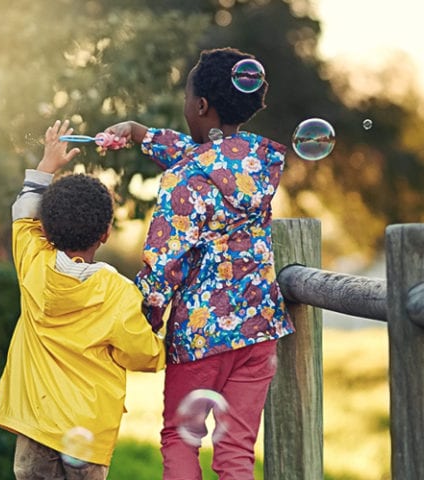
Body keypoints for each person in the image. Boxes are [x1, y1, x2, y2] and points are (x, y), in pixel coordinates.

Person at [102, 47, 295, 479]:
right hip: (258, 330)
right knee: (236, 451)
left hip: (200, 335)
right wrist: (138, 133)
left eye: (188, 99)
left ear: (201, 105)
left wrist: (145, 322)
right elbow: (201, 156)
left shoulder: (184, 180)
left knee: (180, 438)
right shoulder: (255, 164)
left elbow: (161, 264)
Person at [0, 119, 166, 480]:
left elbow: (23, 215)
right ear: (104, 233)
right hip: (87, 436)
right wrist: (158, 332)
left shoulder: (33, 263)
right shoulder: (116, 292)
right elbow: (143, 354)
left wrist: (46, 166)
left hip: (34, 426)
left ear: (47, 229)